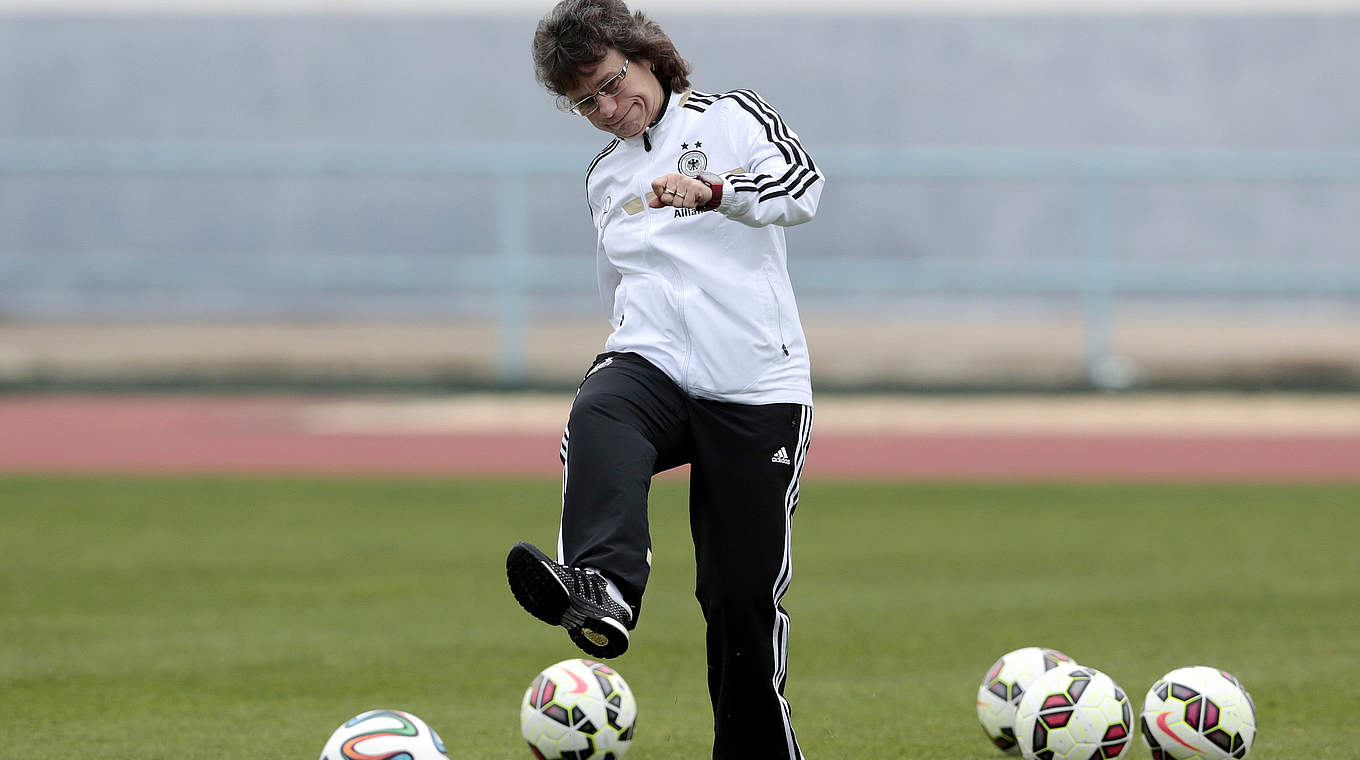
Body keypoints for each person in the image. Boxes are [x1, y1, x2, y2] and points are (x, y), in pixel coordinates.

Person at [506, 1, 824, 757]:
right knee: (601, 407)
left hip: (755, 385)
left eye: (614, 85)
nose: (610, 109)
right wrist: (630, 347)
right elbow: (614, 286)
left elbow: (804, 190)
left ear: (647, 55)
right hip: (654, 366)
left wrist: (717, 194)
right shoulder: (603, 178)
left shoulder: (733, 116)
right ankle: (603, 585)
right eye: (587, 103)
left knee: (738, 599)